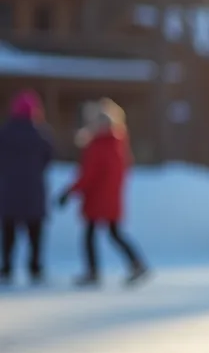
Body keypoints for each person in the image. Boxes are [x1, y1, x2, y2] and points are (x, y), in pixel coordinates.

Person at [58, 98, 148, 287]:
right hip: (111, 197)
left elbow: (88, 175)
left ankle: (93, 272)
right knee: (113, 233)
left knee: (91, 234)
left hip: (97, 198)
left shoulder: (98, 145)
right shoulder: (119, 143)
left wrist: (69, 191)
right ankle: (136, 263)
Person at [0, 90, 54, 285]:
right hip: (33, 192)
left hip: (9, 191)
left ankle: (6, 267)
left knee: (8, 232)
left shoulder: (5, 132)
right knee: (35, 233)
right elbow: (48, 158)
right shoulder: (41, 133)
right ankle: (35, 267)